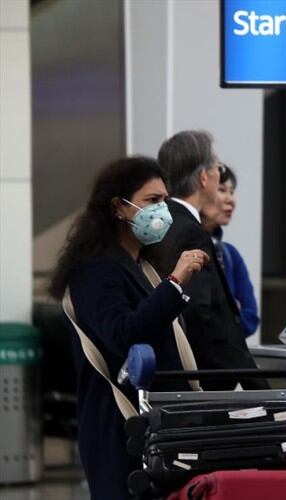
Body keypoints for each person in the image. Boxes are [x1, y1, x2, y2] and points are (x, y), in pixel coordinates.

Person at [49, 157, 209, 499]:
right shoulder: (96, 269)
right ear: (119, 208)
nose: (162, 211)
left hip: (155, 423)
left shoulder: (142, 265)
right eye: (152, 201)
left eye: (165, 200)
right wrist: (176, 283)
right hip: (120, 426)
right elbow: (123, 334)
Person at [143, 130, 264, 390]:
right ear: (203, 177)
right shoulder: (190, 231)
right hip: (203, 382)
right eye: (217, 167)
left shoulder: (163, 224)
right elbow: (198, 311)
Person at [200, 164, 259, 338]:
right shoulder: (181, 247)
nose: (230, 199)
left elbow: (250, 320)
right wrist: (231, 311)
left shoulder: (230, 254)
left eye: (232, 191)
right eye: (221, 189)